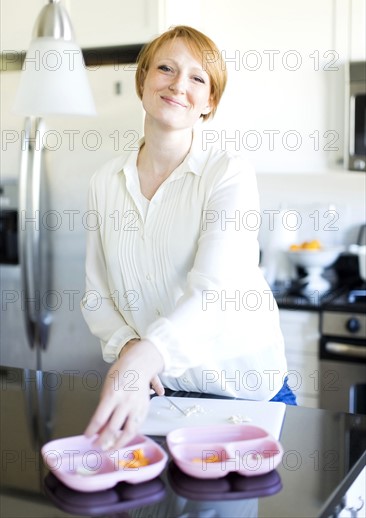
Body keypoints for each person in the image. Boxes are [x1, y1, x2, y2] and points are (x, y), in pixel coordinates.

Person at [81, 25, 295, 451]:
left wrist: (143, 358)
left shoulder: (228, 173)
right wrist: (130, 350)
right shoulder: (105, 181)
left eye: (198, 78)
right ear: (143, 79)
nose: (179, 84)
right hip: (163, 395)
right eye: (166, 68)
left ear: (209, 101)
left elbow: (215, 293)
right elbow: (96, 293)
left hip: (244, 396)